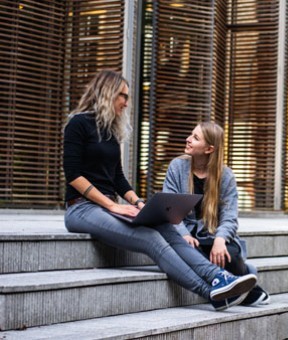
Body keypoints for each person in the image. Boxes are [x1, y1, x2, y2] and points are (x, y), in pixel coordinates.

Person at [63, 69, 257, 311]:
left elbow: (118, 179)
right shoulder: (78, 124)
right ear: (107, 93)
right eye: (123, 95)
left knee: (165, 226)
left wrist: (139, 204)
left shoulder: (110, 133)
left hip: (107, 208)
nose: (126, 101)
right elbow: (73, 175)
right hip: (81, 209)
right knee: (151, 239)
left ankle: (219, 277)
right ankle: (211, 292)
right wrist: (113, 205)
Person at [163, 121, 270, 309]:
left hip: (212, 235)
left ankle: (237, 280)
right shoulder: (177, 167)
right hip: (186, 235)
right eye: (191, 134)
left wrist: (220, 240)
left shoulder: (225, 175)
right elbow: (170, 208)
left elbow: (230, 216)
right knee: (190, 252)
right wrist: (184, 235)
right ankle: (248, 289)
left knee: (231, 253)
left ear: (209, 149)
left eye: (195, 138)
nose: (188, 139)